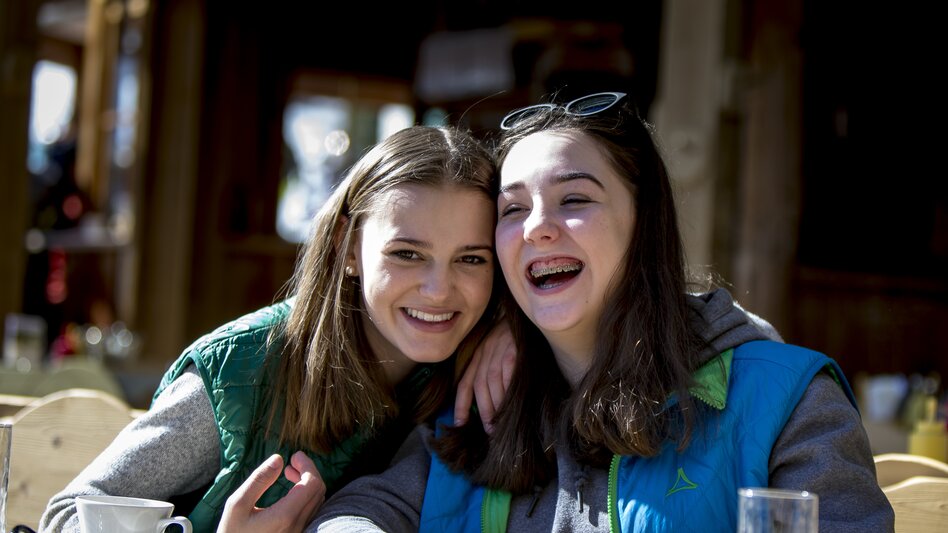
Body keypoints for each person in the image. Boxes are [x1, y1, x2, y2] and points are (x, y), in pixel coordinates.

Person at [308, 92, 895, 532]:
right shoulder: (481, 397)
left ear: (644, 225)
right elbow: (370, 507)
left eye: (575, 199)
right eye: (513, 210)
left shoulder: (787, 402)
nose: (537, 226)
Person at [38, 125, 503, 533]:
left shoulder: (481, 366)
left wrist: (511, 332)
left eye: (471, 259)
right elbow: (64, 517)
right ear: (349, 247)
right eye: (407, 253)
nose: (440, 290)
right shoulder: (243, 372)